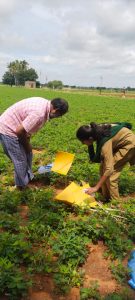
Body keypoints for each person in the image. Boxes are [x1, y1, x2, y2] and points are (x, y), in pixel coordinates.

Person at [0, 96, 68, 189]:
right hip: (8, 130)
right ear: (55, 110)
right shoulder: (39, 114)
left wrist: (28, 145)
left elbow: (25, 128)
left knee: (28, 154)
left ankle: (27, 177)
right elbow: (19, 131)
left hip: (15, 126)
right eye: (59, 115)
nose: (57, 117)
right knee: (20, 160)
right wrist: (27, 145)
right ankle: (22, 187)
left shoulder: (44, 105)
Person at [76, 122, 135, 200]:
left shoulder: (105, 142)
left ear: (90, 138)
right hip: (119, 142)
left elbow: (109, 169)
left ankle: (115, 203)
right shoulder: (95, 130)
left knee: (111, 174)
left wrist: (96, 188)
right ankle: (106, 197)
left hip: (129, 144)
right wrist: (89, 145)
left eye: (83, 141)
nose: (82, 143)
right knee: (102, 168)